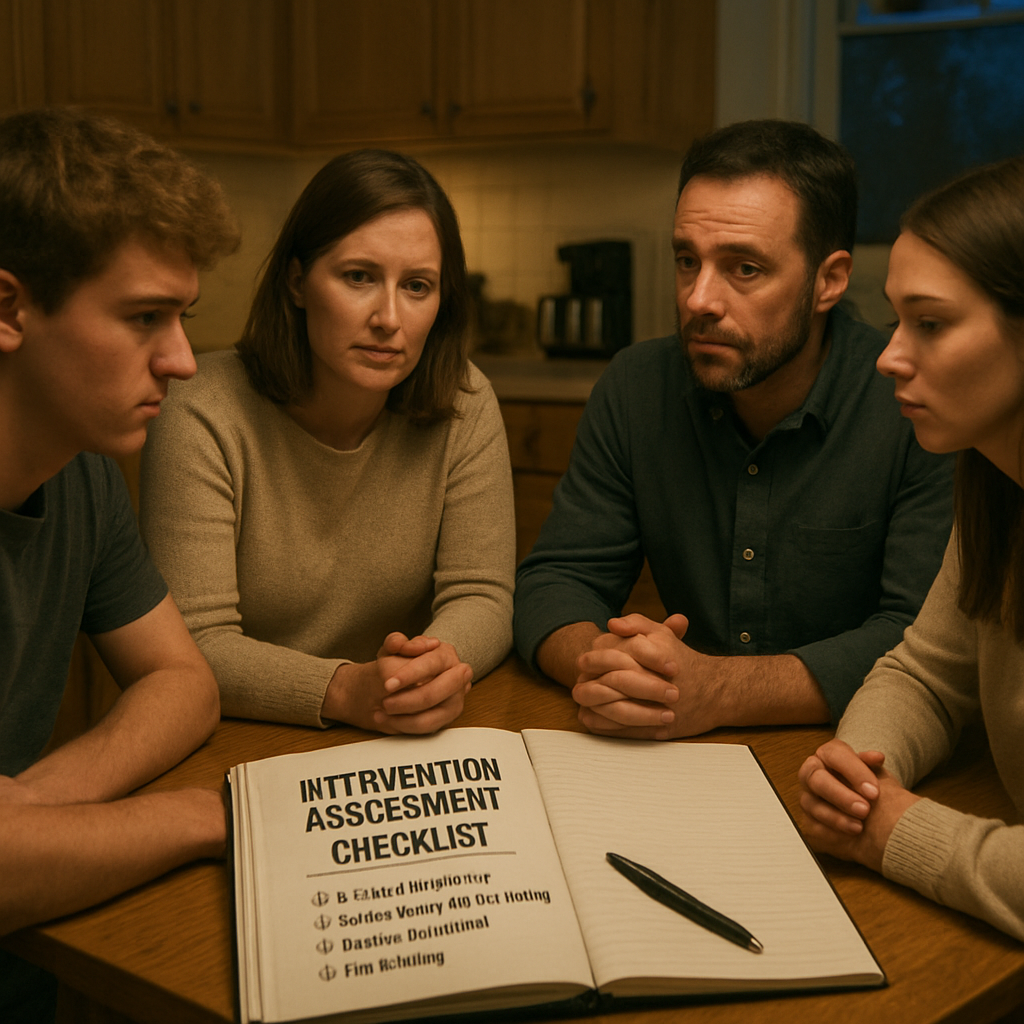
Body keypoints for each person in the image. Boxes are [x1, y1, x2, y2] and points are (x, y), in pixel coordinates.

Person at [514, 119, 953, 739]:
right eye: (686, 260)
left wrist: (719, 690)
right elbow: (557, 580)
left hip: (854, 747)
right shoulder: (637, 386)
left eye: (744, 268)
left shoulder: (911, 401)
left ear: (828, 281)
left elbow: (922, 640)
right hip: (673, 742)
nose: (699, 299)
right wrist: (601, 664)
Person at [140, 150, 514, 734]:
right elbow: (193, 643)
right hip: (240, 731)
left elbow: (483, 594)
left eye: (417, 286)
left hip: (410, 729)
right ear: (297, 282)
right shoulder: (201, 408)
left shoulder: (464, 400)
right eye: (359, 277)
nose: (389, 318)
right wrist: (344, 689)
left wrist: (430, 671)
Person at [0, 108, 240, 1020]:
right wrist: (204, 818)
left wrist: (34, 806)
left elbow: (183, 682)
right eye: (144, 318)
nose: (182, 361)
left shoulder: (83, 472)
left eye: (182, 318)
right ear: (8, 309)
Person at [798, 157, 1024, 941]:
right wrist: (858, 771)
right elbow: (926, 673)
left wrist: (892, 829)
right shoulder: (997, 486)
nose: (889, 355)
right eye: (896, 321)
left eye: (929, 323)